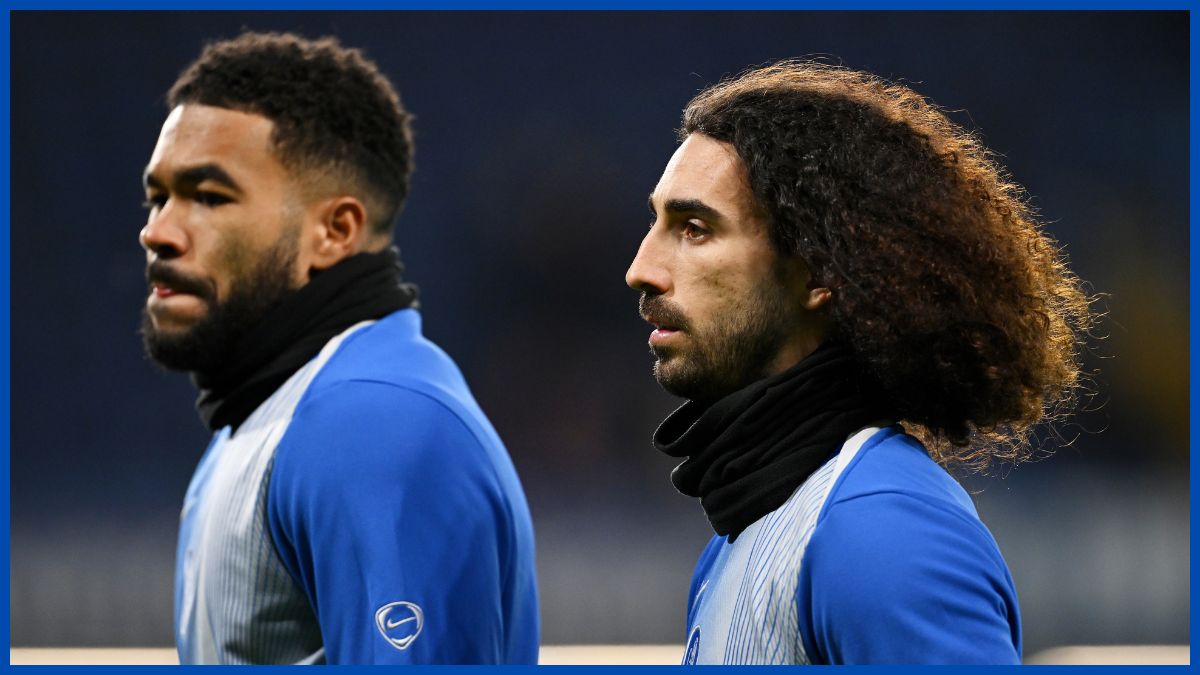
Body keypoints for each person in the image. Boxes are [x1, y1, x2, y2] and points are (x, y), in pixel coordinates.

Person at [625, 61, 1094, 665]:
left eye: (694, 228)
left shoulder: (885, 534)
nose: (641, 269)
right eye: (657, 222)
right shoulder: (741, 537)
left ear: (816, 273)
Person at [139, 32, 538, 665]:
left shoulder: (375, 425)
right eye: (158, 197)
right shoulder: (261, 418)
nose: (157, 231)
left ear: (334, 231)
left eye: (209, 197)